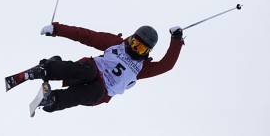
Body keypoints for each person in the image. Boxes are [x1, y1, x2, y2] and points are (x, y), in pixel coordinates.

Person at [28, 22, 184, 113]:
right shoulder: (116, 44)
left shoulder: (143, 68)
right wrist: (57, 29)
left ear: (148, 51)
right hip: (85, 72)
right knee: (89, 70)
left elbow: (166, 65)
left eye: (141, 49)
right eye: (135, 44)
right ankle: (48, 68)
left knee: (97, 90)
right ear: (131, 39)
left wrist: (176, 40)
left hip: (96, 92)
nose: (135, 49)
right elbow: (87, 36)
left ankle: (52, 100)